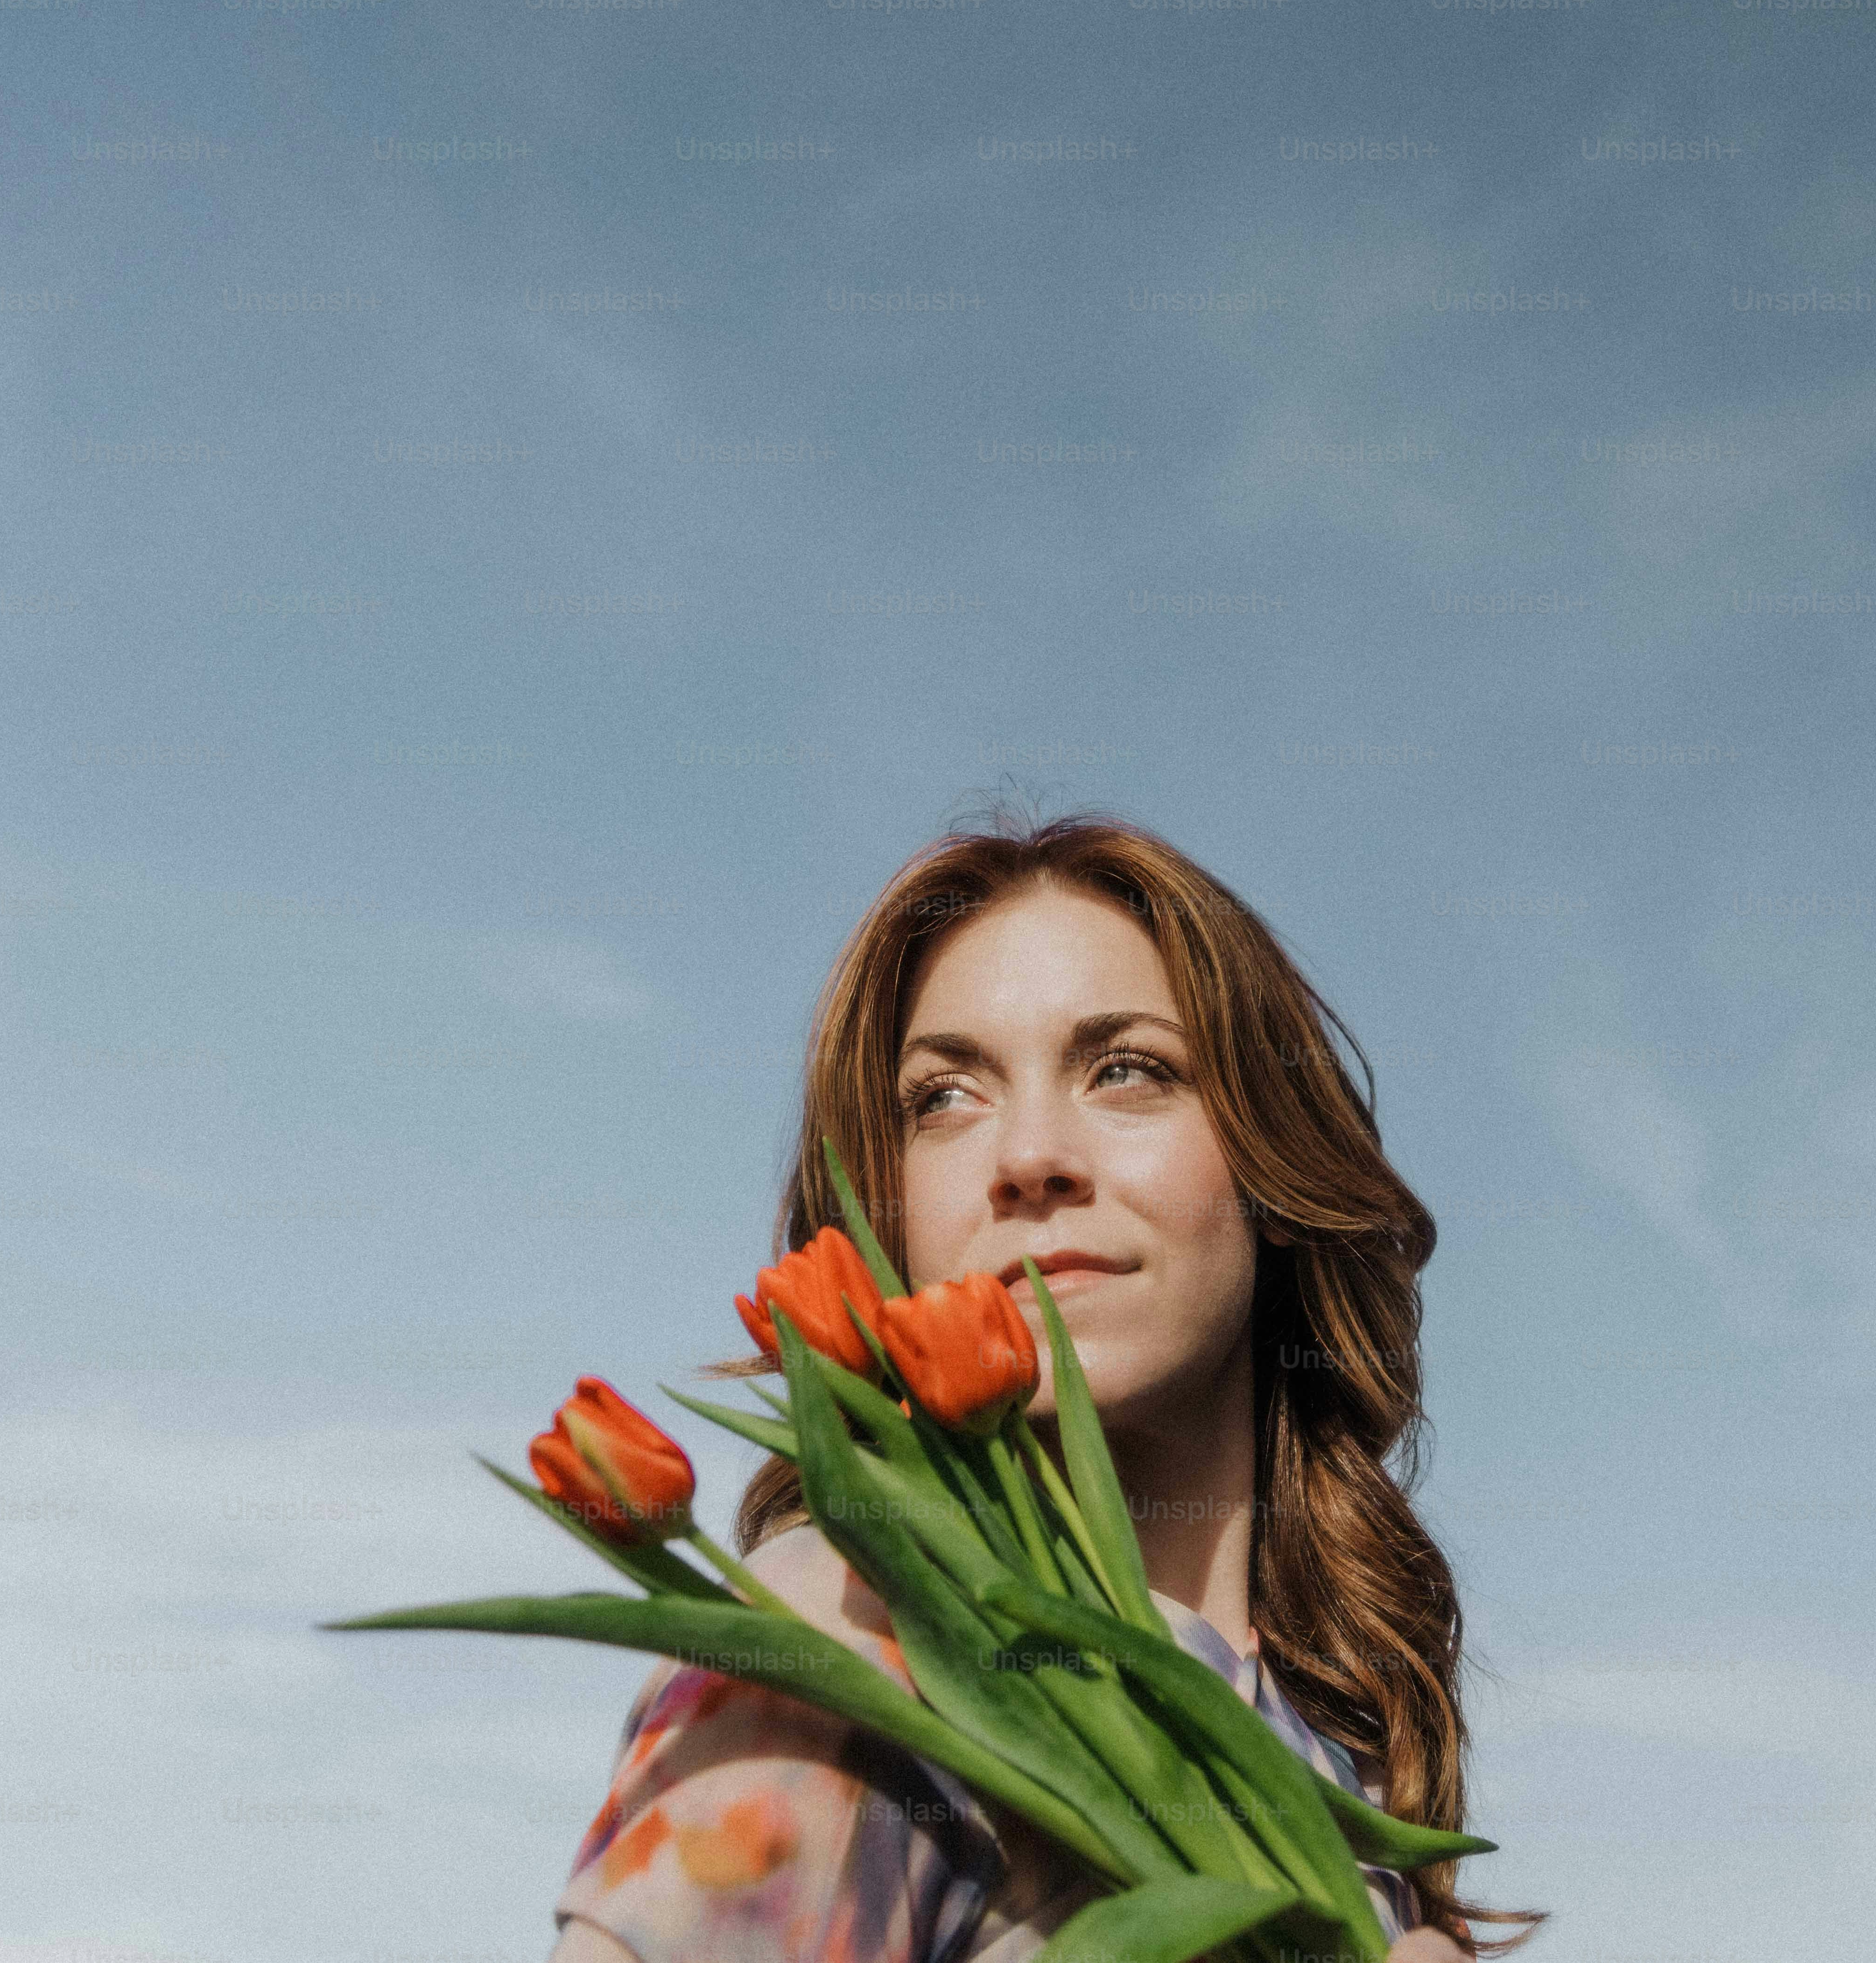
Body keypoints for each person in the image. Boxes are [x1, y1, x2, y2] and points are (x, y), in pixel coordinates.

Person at [546, 811, 1539, 1963]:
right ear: (889, 1211)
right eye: (945, 1096)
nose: (1027, 1156)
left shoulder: (1337, 1740)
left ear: (1272, 1169)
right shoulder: (848, 1643)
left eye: (1126, 1070)